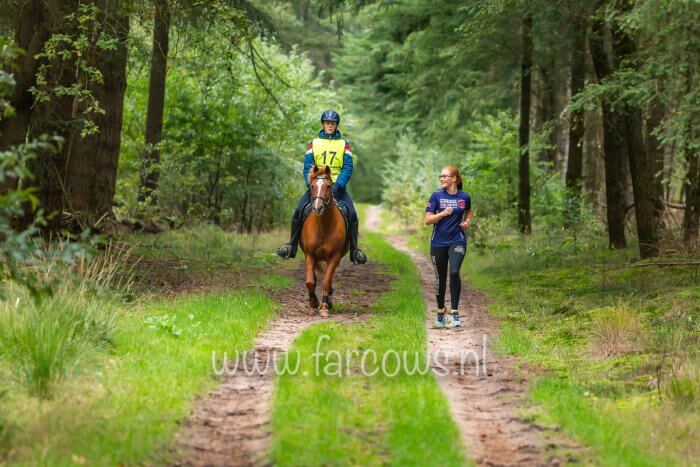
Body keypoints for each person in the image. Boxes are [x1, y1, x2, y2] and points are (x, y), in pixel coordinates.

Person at [276, 109, 367, 264]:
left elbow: (347, 167)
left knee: (352, 213)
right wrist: (311, 183)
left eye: (332, 123)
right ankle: (291, 246)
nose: (329, 126)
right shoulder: (314, 143)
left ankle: (354, 251)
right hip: (317, 187)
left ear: (336, 125)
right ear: (323, 124)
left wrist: (338, 185)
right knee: (298, 211)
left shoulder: (344, 144)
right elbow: (307, 167)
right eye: (327, 123)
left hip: (337, 187)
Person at [424, 165, 472, 328]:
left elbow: (468, 211)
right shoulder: (436, 196)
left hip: (457, 240)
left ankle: (455, 313)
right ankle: (440, 311)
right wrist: (443, 213)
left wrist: (467, 221)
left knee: (454, 271)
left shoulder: (464, 196)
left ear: (454, 179)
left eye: (445, 176)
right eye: (440, 176)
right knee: (441, 279)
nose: (442, 178)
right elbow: (427, 220)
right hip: (438, 242)